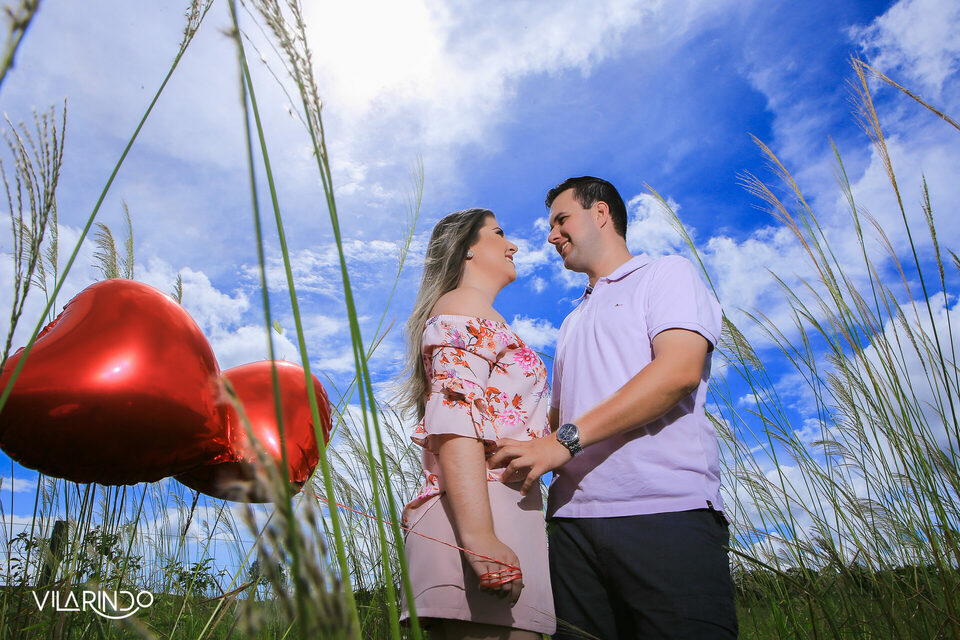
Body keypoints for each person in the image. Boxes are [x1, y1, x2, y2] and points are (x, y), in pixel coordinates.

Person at [490, 177, 738, 639]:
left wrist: (561, 443)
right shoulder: (570, 321)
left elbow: (678, 371)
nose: (550, 236)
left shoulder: (667, 274)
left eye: (562, 220)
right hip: (572, 528)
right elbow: (558, 419)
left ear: (600, 213)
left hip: (664, 514)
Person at [398, 208, 556, 639]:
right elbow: (456, 420)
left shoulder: (479, 314)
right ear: (466, 247)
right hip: (480, 511)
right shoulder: (462, 305)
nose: (513, 244)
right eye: (499, 233)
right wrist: (481, 536)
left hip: (498, 509)